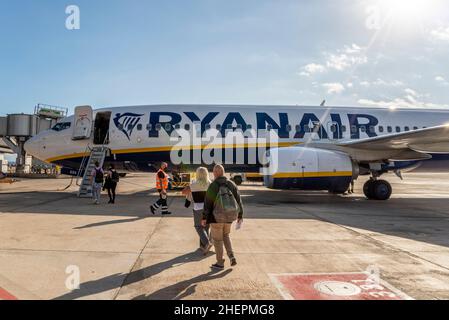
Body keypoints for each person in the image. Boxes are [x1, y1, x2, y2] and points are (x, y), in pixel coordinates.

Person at [203, 165, 244, 270]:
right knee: (226, 235)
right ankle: (231, 256)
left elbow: (208, 203)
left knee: (217, 240)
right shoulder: (231, 184)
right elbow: (238, 200)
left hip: (216, 218)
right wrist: (240, 215)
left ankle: (220, 263)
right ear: (224, 172)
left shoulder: (213, 185)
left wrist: (204, 217)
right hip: (230, 216)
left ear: (215, 173)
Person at [183, 167, 213, 254]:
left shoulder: (193, 184)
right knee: (206, 227)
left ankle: (207, 243)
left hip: (198, 208)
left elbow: (184, 192)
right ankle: (203, 246)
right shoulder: (210, 184)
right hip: (208, 208)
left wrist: (189, 188)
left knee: (198, 227)